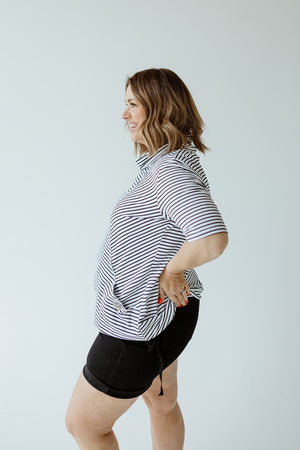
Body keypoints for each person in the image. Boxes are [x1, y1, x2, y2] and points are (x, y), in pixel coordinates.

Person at [65, 68, 229, 449]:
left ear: (160, 108)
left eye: (132, 104)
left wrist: (173, 269)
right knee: (163, 403)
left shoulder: (169, 169)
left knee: (84, 426)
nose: (125, 115)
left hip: (137, 326)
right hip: (166, 314)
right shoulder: (172, 162)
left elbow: (212, 238)